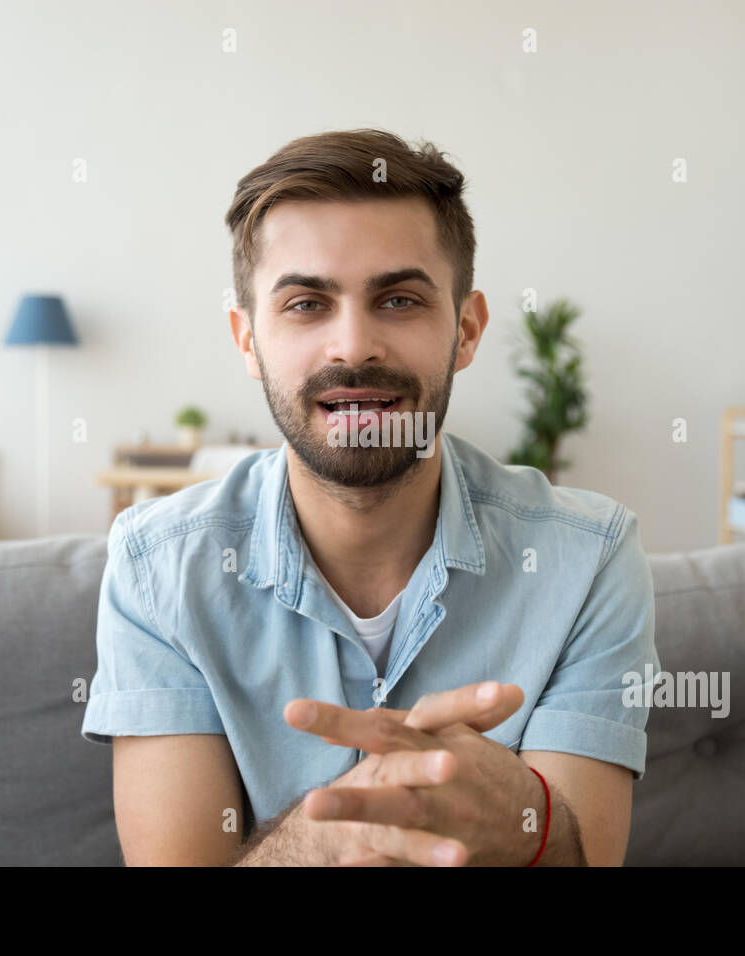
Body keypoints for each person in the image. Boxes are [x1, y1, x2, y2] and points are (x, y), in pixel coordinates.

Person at [81, 128, 659, 866]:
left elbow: (586, 861)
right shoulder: (156, 569)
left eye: (398, 299)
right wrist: (335, 834)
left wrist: (527, 815)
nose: (353, 347)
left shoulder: (590, 559)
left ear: (466, 330)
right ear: (248, 340)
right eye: (305, 304)